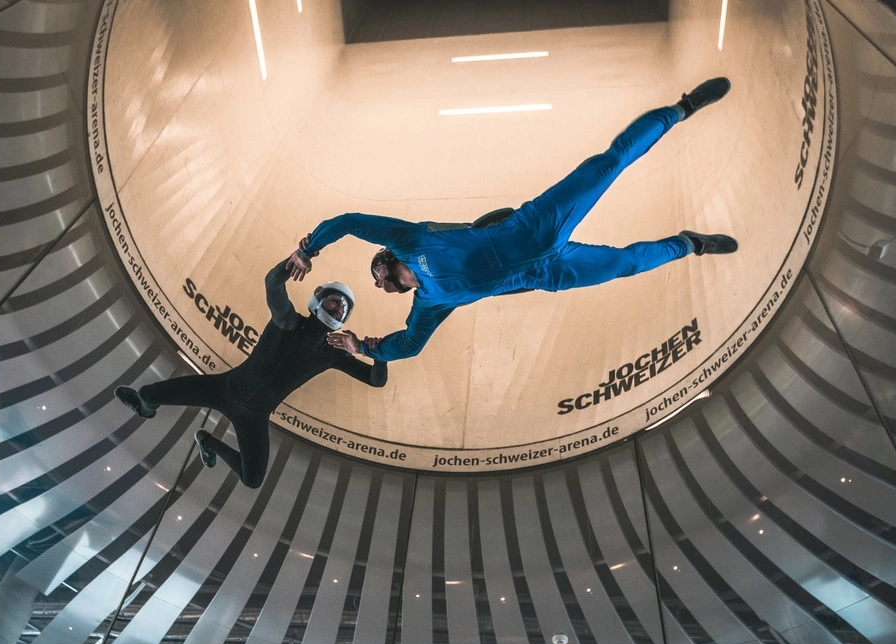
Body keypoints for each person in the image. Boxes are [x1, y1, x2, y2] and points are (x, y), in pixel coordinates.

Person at [287, 78, 738, 361]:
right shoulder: (429, 305)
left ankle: (683, 107)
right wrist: (363, 347)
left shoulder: (411, 240)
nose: (379, 288)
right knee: (628, 264)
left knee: (608, 164)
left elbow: (348, 220)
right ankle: (692, 244)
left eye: (377, 278)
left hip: (534, 226)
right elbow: (408, 345)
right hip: (549, 271)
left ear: (384, 263)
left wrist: (308, 250)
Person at [115, 259, 387, 488]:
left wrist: (379, 355)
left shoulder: (333, 352)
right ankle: (145, 409)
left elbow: (376, 380)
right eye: (335, 300)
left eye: (344, 308)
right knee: (146, 394)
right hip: (223, 388)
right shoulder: (288, 321)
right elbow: (273, 283)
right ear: (318, 300)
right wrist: (296, 258)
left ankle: (208, 443)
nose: (340, 306)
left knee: (252, 479)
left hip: (254, 415)